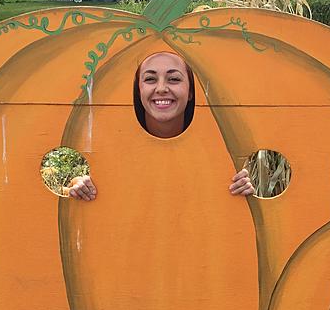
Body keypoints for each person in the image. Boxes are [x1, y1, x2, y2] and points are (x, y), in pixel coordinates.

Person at [67, 52, 255, 200]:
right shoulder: (113, 138)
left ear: (191, 91)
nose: (162, 88)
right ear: (138, 90)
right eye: (150, 79)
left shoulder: (219, 145)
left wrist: (242, 190)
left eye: (174, 79)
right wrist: (80, 185)